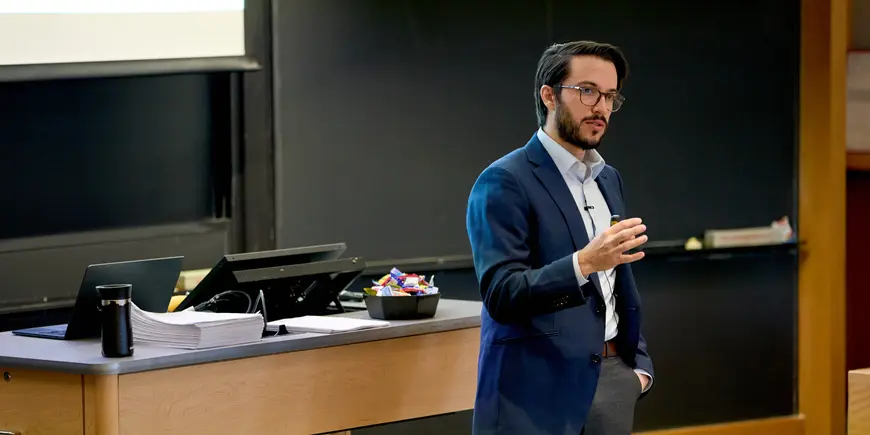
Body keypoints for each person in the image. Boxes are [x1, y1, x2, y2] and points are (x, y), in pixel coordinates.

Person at [465, 40, 654, 435]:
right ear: (549, 96)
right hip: (535, 396)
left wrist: (636, 368)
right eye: (587, 91)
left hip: (611, 381)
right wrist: (583, 263)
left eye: (610, 96)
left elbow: (618, 284)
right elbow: (501, 293)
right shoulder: (505, 180)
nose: (601, 107)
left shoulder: (608, 178)